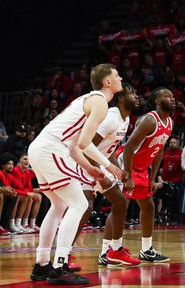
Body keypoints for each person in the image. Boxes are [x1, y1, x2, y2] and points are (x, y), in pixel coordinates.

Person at [28, 63, 124, 284]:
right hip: (51, 148)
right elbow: (84, 142)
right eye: (117, 76)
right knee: (79, 204)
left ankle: (42, 265)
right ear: (107, 82)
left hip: (42, 148)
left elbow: (75, 146)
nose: (121, 79)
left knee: (59, 205)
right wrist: (106, 165)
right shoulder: (100, 102)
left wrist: (90, 167)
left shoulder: (89, 100)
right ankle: (59, 266)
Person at [80, 83, 142, 268]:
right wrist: (99, 171)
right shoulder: (111, 118)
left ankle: (109, 251)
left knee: (115, 204)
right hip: (85, 163)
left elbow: (109, 148)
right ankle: (112, 250)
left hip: (99, 164)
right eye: (132, 93)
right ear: (121, 98)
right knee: (86, 208)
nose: (137, 96)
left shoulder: (125, 119)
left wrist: (118, 169)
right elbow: (87, 146)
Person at [122, 87, 175, 264]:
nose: (172, 99)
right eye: (167, 96)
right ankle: (109, 249)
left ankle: (146, 250)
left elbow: (158, 150)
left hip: (142, 169)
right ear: (158, 101)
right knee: (120, 206)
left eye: (173, 96)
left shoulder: (169, 122)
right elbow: (128, 147)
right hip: (127, 164)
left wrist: (152, 178)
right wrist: (128, 176)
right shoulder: (150, 120)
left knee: (149, 206)